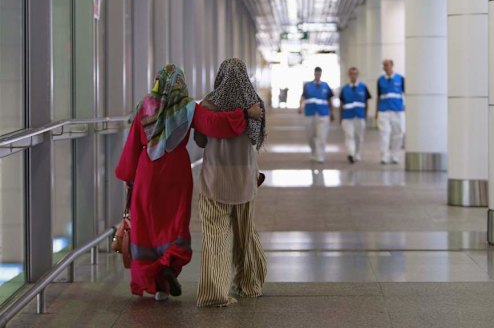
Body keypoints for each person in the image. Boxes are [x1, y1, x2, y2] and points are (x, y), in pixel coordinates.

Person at [115, 64, 263, 302]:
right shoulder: (187, 107)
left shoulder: (145, 106)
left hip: (146, 171)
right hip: (175, 171)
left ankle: (154, 282)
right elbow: (214, 124)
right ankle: (168, 264)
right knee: (175, 221)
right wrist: (244, 115)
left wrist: (129, 177)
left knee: (147, 225)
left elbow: (133, 143)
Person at [195, 58, 267, 308]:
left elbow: (201, 141)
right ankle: (250, 283)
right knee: (245, 234)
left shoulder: (208, 104)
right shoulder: (256, 104)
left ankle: (214, 293)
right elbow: (257, 141)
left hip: (215, 178)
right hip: (244, 178)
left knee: (215, 237)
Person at [298, 66, 334, 163]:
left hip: (323, 113)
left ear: (321, 74)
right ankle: (314, 151)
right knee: (310, 135)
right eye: (316, 74)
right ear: (314, 74)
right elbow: (303, 97)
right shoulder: (308, 85)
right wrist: (300, 106)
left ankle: (320, 155)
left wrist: (332, 112)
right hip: (310, 113)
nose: (318, 75)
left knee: (321, 136)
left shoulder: (326, 86)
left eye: (319, 74)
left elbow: (330, 100)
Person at [376, 59, 405, 165]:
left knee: (399, 133)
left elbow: (405, 93)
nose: (385, 67)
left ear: (392, 65)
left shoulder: (400, 79)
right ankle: (384, 156)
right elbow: (378, 96)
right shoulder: (380, 80)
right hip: (383, 110)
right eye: (384, 65)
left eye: (387, 65)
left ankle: (395, 156)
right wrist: (376, 111)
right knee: (384, 134)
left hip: (397, 110)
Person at [339, 67, 371, 163]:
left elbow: (366, 103)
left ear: (357, 75)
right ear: (349, 75)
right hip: (347, 116)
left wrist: (366, 115)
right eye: (351, 74)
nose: (353, 76)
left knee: (359, 137)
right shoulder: (344, 88)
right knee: (349, 135)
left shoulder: (363, 87)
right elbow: (341, 103)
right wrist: (340, 117)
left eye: (355, 74)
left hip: (360, 115)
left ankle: (357, 153)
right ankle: (351, 153)